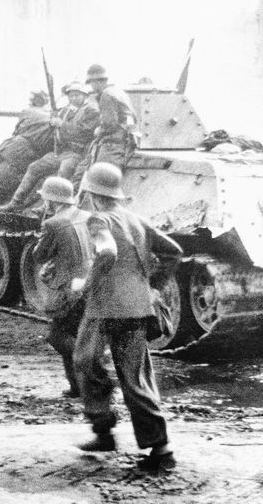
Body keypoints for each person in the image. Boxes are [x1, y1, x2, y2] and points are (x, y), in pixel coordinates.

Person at [72, 162, 182, 471]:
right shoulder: (137, 220)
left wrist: (85, 285)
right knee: (135, 378)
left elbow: (106, 252)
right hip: (137, 308)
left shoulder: (98, 218)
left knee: (84, 361)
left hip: (105, 307)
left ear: (92, 194)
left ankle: (103, 431)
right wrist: (155, 288)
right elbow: (174, 251)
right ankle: (161, 450)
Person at [0, 82, 99, 211]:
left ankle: (49, 206)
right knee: (34, 168)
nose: (73, 98)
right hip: (60, 151)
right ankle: (15, 202)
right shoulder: (67, 110)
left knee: (64, 171)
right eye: (71, 96)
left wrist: (61, 125)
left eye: (76, 95)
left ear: (85, 95)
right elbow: (55, 126)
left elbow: (83, 131)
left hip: (76, 153)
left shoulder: (91, 111)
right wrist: (52, 122)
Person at [32, 177, 92, 398]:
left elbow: (39, 255)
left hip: (67, 289)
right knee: (75, 332)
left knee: (57, 337)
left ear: (51, 200)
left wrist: (44, 226)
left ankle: (93, 361)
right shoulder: (87, 216)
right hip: (88, 284)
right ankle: (77, 388)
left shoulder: (53, 223)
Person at [71, 64, 137, 191]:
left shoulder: (106, 95)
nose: (92, 87)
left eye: (91, 83)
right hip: (123, 142)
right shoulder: (118, 92)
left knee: (101, 180)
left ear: (97, 81)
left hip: (112, 145)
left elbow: (109, 124)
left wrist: (98, 130)